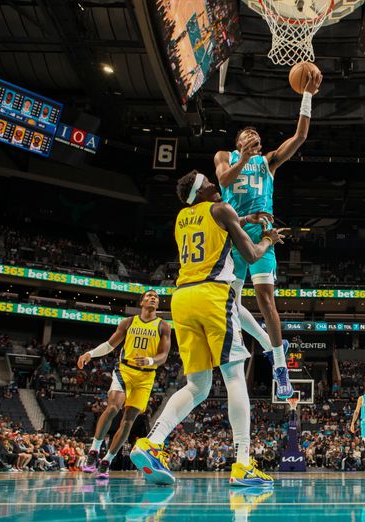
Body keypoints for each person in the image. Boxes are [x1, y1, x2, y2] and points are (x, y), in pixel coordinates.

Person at [130, 170, 283, 486]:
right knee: (234, 376)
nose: (217, 185)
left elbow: (215, 218)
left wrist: (244, 215)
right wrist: (269, 238)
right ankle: (242, 463)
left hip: (182, 299)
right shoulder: (222, 209)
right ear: (201, 192)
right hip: (213, 295)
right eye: (210, 184)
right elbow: (252, 254)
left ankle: (150, 443)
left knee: (197, 386)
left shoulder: (182, 217)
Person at [214, 69, 322, 400]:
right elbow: (224, 182)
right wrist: (243, 157)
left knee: (264, 298)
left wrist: (307, 95)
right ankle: (266, 341)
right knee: (228, 302)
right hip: (233, 235)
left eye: (255, 134)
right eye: (247, 133)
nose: (253, 135)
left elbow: (300, 136)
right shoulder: (225, 156)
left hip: (262, 235)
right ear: (238, 141)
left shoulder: (268, 162)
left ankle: (280, 367)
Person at [77, 290, 171, 479]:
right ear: (142, 302)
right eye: (149, 296)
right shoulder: (128, 322)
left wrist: (151, 361)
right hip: (125, 371)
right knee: (113, 407)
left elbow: (164, 355)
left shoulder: (163, 326)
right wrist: (90, 354)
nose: (153, 298)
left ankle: (107, 460)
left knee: (128, 420)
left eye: (156, 297)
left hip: (146, 377)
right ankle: (94, 450)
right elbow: (110, 345)